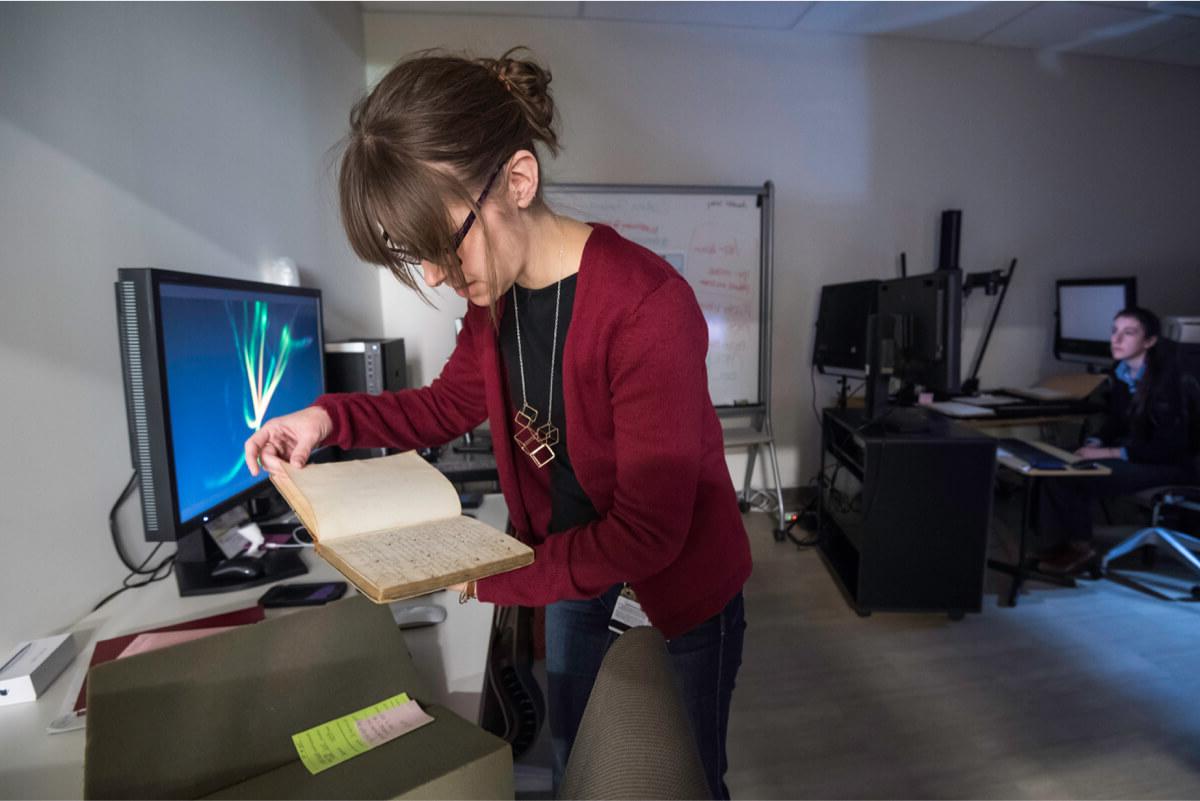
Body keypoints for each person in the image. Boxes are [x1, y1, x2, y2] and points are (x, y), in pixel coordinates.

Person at [243, 48, 751, 799]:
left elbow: (650, 533)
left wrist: (496, 576)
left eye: (445, 245)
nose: (441, 276)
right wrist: (325, 417)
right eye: (420, 259)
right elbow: (444, 406)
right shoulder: (495, 304)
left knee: (677, 780)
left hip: (674, 596)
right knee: (583, 764)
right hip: (578, 580)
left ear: (517, 181)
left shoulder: (647, 308)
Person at [1036, 306, 1197, 574]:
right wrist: (1097, 442)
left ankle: (1079, 549)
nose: (1116, 340)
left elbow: (1168, 447)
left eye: (1128, 333)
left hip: (1170, 463)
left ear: (1149, 341)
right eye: (1114, 332)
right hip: (1137, 454)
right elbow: (1116, 422)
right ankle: (1058, 546)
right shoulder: (1122, 372)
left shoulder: (1169, 381)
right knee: (1052, 462)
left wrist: (1108, 453)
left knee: (1072, 477)